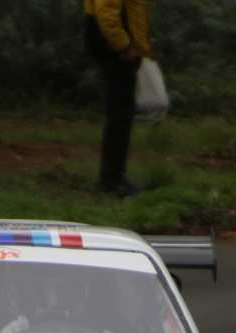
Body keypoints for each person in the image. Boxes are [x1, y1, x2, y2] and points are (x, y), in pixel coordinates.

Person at [83, 0, 151, 197]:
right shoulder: (117, 39)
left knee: (121, 110)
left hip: (114, 37)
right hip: (113, 41)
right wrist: (124, 46)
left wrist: (140, 45)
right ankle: (112, 181)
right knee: (120, 112)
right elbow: (107, 12)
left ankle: (113, 177)